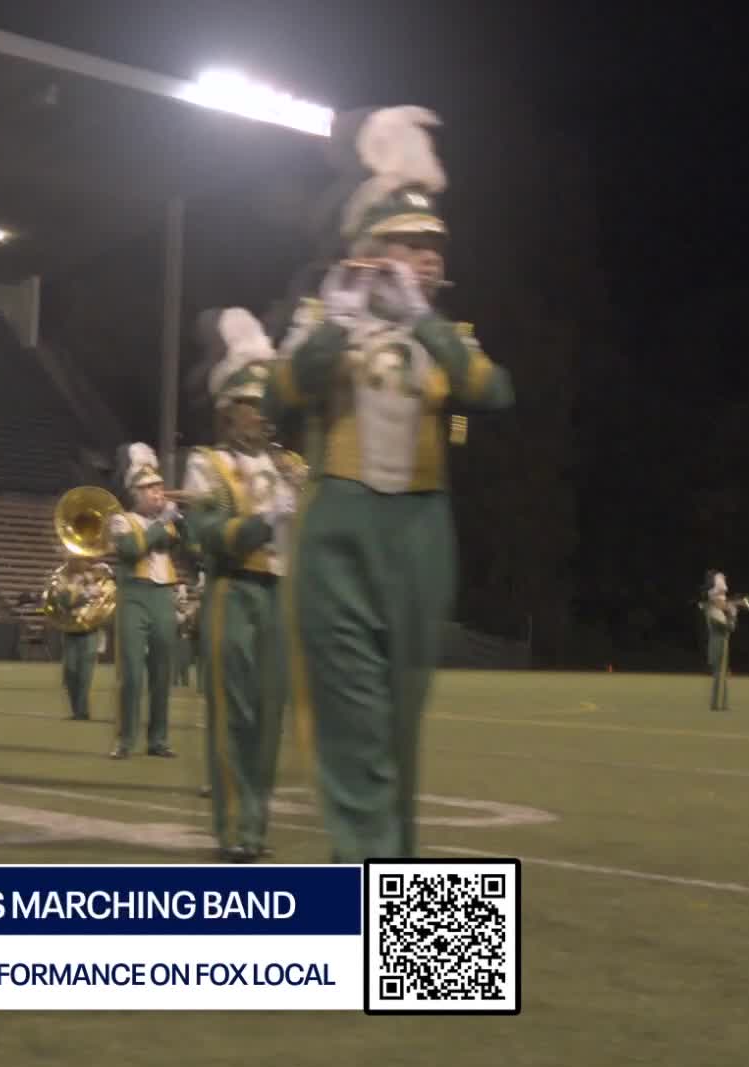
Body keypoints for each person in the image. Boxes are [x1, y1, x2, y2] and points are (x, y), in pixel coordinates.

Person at [265, 105, 515, 861]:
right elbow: (284, 392)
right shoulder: (323, 317)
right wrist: (341, 321)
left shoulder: (447, 336)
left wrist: (423, 321)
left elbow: (492, 391)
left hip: (421, 529)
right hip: (339, 522)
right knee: (353, 721)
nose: (427, 255)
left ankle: (396, 902)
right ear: (370, 247)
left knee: (401, 724)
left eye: (433, 243)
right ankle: (366, 885)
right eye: (408, 242)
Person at [185, 308, 295, 859]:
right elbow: (205, 532)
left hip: (280, 597)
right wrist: (262, 521)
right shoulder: (206, 465)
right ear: (228, 410)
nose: (260, 414)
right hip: (232, 590)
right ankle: (232, 830)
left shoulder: (288, 467)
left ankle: (256, 828)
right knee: (234, 715)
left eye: (263, 402)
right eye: (250, 404)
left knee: (270, 718)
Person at [108, 442, 182, 759]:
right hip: (134, 596)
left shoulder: (168, 521)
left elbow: (185, 545)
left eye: (158, 488)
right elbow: (130, 549)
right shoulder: (121, 520)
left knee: (163, 672)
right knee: (132, 673)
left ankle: (159, 740)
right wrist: (164, 522)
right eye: (149, 489)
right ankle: (125, 739)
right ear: (135, 494)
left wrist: (179, 520)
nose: (157, 494)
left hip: (163, 594)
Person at [53, 556, 109, 721]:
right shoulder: (63, 579)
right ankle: (76, 709)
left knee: (85, 675)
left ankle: (82, 712)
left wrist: (91, 592)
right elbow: (62, 601)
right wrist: (83, 594)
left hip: (89, 631)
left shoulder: (95, 580)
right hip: (70, 630)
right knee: (70, 672)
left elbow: (103, 603)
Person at [701, 572, 735, 711]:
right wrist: (732, 615)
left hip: (720, 642)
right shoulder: (714, 612)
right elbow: (728, 627)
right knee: (719, 674)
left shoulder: (716, 611)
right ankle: (718, 703)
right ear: (715, 600)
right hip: (718, 642)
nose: (724, 602)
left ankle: (720, 702)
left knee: (721, 674)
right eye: (721, 601)